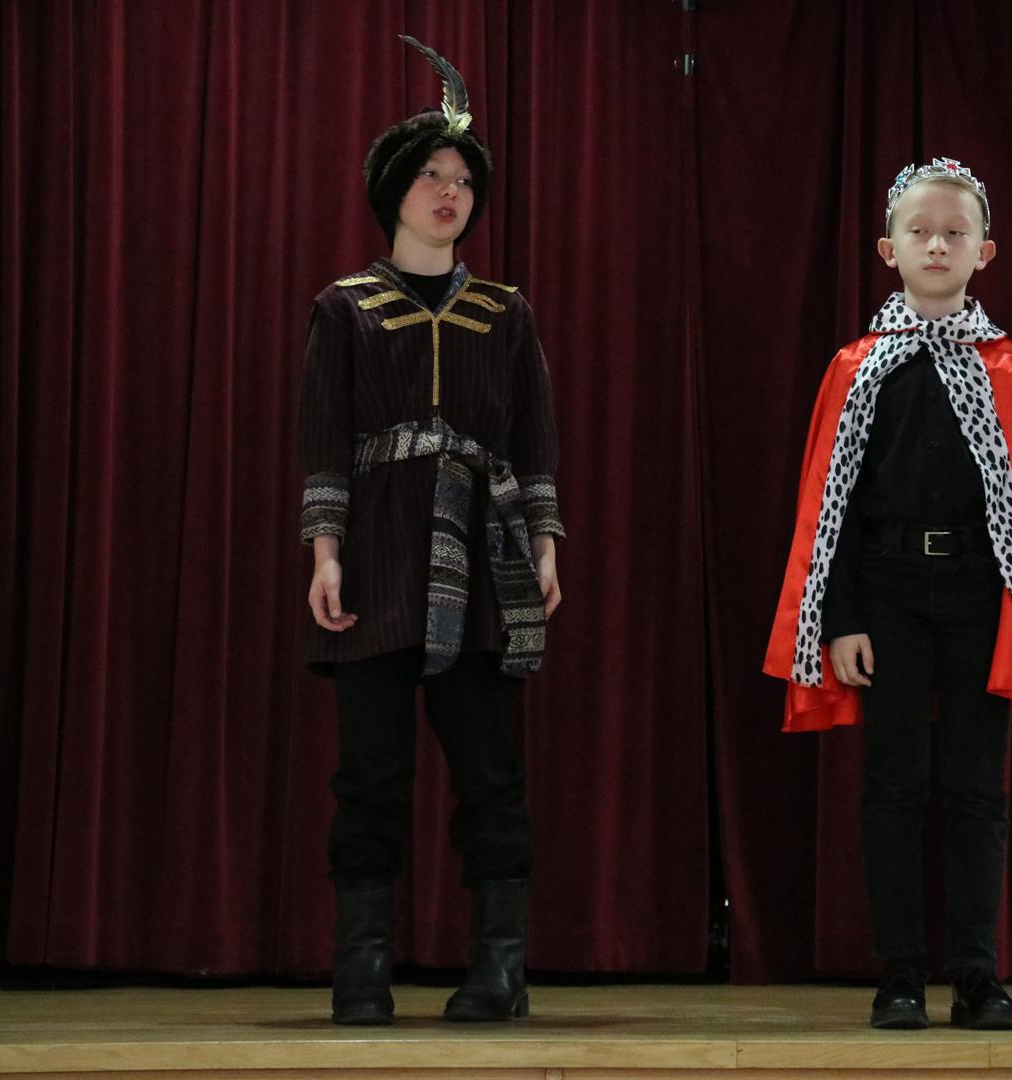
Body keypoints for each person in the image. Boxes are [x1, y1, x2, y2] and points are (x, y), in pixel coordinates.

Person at [764, 158, 1012, 1030]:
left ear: (985, 251)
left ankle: (977, 975)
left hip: (982, 594)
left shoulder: (1011, 369)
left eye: (955, 232)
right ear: (889, 249)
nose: (937, 245)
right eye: (920, 232)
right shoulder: (857, 367)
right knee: (895, 784)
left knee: (978, 787)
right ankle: (900, 975)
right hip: (888, 592)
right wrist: (840, 618)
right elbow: (829, 506)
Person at [297, 35, 561, 1026]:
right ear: (393, 192)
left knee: (490, 771)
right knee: (370, 773)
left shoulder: (505, 312)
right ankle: (360, 970)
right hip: (376, 557)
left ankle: (501, 970)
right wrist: (325, 553)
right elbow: (323, 438)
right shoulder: (346, 309)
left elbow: (535, 438)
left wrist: (544, 545)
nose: (448, 193)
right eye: (430, 177)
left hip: (484, 561)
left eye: (462, 181)